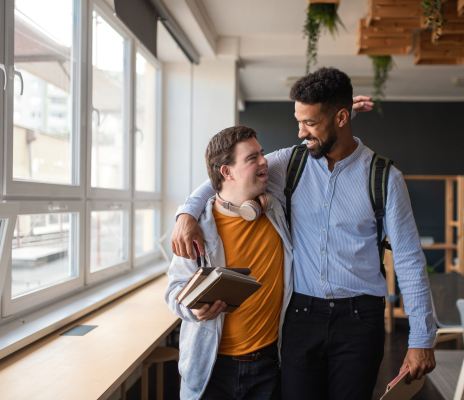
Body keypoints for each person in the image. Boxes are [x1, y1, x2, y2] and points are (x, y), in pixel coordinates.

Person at [171, 67, 436, 400]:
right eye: (299, 121)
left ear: (342, 117)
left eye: (310, 123)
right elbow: (228, 178)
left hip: (360, 320)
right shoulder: (287, 164)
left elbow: (411, 261)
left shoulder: (385, 179)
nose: (300, 133)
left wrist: (421, 340)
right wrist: (187, 212)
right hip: (300, 318)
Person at [164, 126, 294, 400]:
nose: (264, 161)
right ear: (226, 171)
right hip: (212, 370)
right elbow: (174, 290)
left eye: (261, 153)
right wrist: (193, 310)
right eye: (252, 157)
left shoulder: (275, 210)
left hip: (270, 365)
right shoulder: (197, 228)